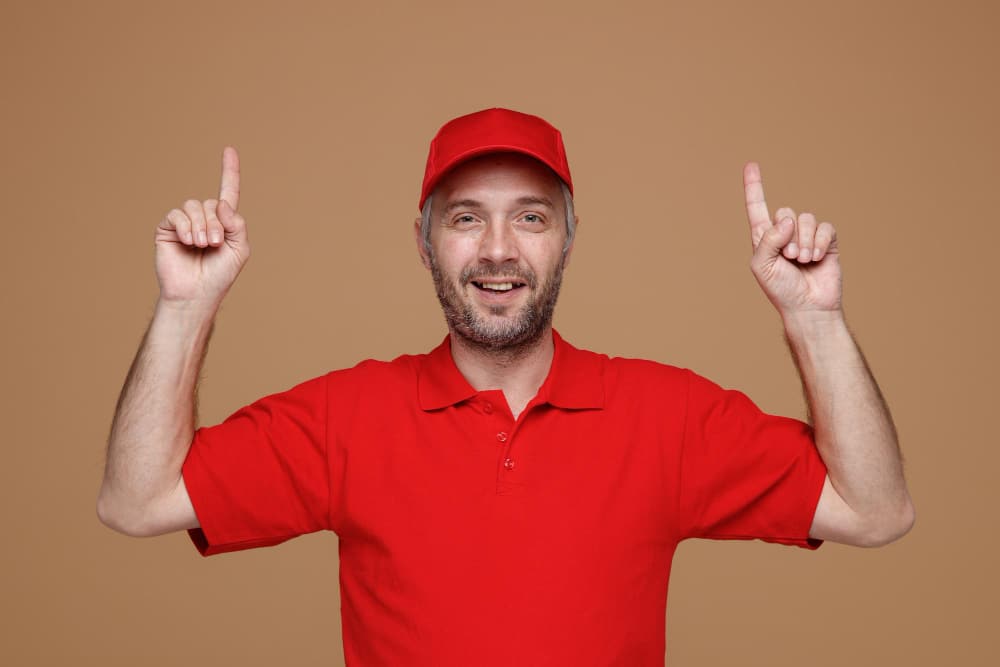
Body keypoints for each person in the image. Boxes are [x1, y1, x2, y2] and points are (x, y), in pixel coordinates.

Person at [98, 108, 915, 665]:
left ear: (567, 239)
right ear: (424, 245)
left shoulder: (667, 416)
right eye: (464, 218)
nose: (498, 250)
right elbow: (137, 501)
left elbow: (874, 510)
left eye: (530, 216)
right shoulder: (347, 417)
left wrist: (814, 320)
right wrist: (185, 305)